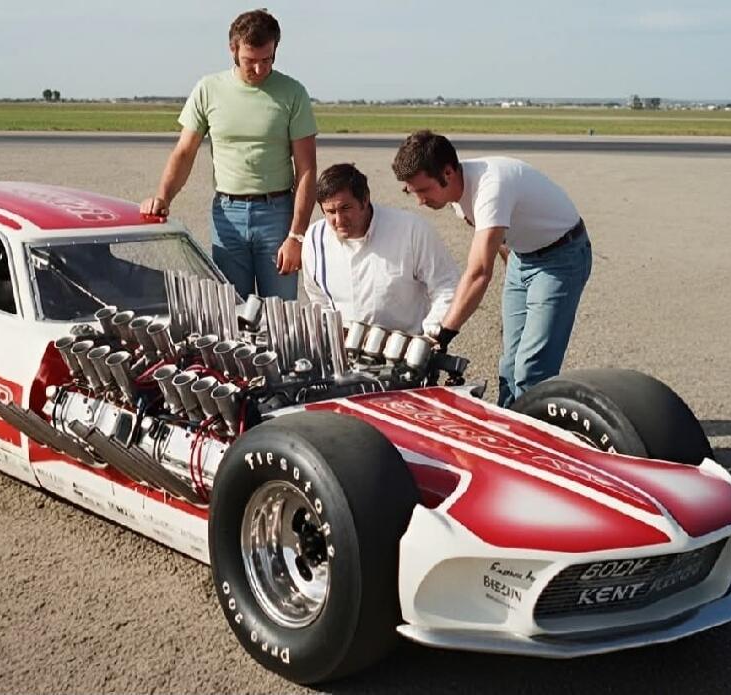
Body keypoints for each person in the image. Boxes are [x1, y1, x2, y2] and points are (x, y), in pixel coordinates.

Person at [391, 130, 593, 407]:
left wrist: (444, 334)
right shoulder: (457, 193)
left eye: (423, 190)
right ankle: (508, 422)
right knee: (509, 366)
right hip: (521, 258)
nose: (420, 201)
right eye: (412, 192)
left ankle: (532, 430)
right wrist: (516, 277)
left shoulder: (490, 188)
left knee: (532, 368)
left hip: (561, 257)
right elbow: (499, 240)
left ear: (448, 172)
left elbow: (478, 273)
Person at [139, 9, 317, 301]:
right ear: (233, 49)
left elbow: (307, 168)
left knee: (281, 311)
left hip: (277, 215)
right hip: (227, 216)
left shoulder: (293, 93)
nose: (259, 69)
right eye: (250, 61)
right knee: (232, 310)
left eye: (267, 60)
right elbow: (184, 152)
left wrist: (297, 235)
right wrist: (162, 197)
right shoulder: (208, 89)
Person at [301, 163, 459, 335]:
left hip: (405, 345)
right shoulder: (314, 238)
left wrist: (432, 333)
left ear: (365, 199)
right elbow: (318, 298)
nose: (339, 220)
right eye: (331, 212)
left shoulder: (411, 230)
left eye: (345, 208)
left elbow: (446, 285)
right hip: (343, 345)